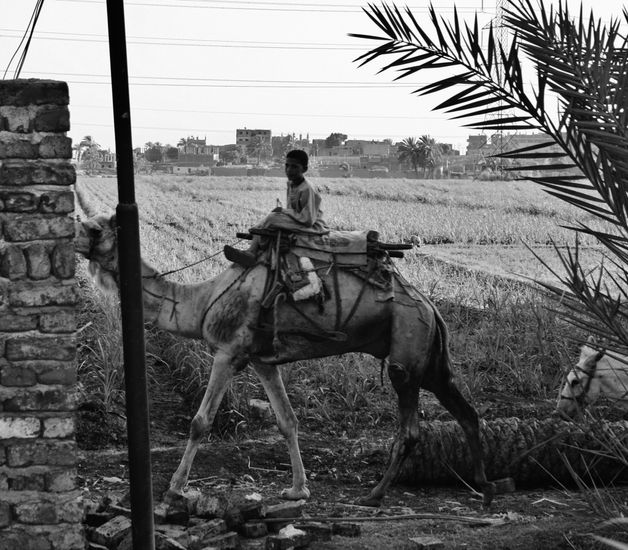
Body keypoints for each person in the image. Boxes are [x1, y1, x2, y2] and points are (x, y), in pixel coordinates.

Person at [225, 149, 329, 267]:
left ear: (304, 169)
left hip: (312, 225)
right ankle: (256, 236)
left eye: (294, 167)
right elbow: (293, 211)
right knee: (270, 218)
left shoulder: (306, 189)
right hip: (298, 221)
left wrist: (284, 212)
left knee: (273, 218)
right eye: (287, 166)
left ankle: (252, 252)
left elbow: (308, 219)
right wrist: (284, 214)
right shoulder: (291, 184)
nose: (289, 170)